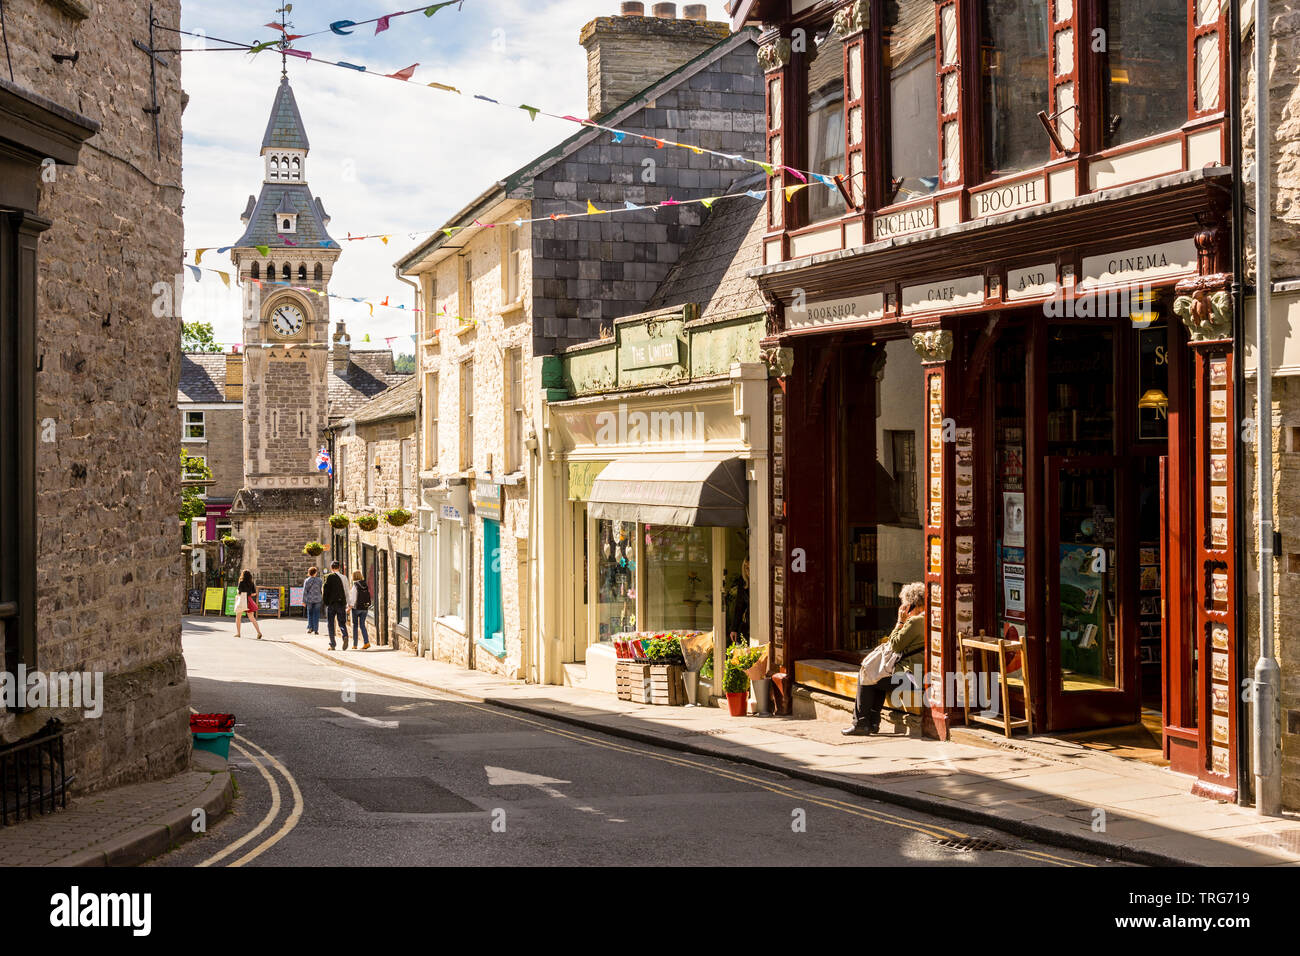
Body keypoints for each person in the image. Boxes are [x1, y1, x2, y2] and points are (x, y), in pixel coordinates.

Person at [842, 581, 926, 736]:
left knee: (867, 674)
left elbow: (894, 644)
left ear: (913, 605)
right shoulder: (928, 619)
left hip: (911, 677)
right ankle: (872, 722)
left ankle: (861, 723)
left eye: (906, 605)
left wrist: (900, 622)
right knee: (878, 676)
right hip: (921, 676)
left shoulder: (915, 622)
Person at [322, 560, 349, 650]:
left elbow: (325, 591)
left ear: (331, 568)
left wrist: (325, 602)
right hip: (341, 603)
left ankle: (332, 644)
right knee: (341, 622)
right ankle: (345, 635)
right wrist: (348, 603)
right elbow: (346, 591)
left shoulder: (328, 577)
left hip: (331, 604)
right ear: (339, 568)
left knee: (330, 624)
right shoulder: (344, 577)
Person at [234, 569, 263, 640]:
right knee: (252, 618)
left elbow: (239, 592)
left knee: (238, 617)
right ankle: (259, 632)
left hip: (242, 600)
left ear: (243, 575)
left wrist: (238, 591)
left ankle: (238, 633)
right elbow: (254, 593)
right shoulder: (251, 583)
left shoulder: (241, 582)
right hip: (249, 600)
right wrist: (248, 593)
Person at [348, 570, 372, 650]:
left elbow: (353, 598)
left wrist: (349, 607)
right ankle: (366, 642)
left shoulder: (355, 585)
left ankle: (355, 645)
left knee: (355, 626)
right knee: (362, 625)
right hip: (365, 608)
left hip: (356, 608)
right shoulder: (365, 584)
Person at [302, 566, 323, 635]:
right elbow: (321, 590)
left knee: (310, 614)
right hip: (318, 599)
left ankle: (310, 628)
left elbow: (305, 591)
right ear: (315, 573)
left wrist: (303, 601)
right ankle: (316, 629)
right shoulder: (319, 580)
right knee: (316, 614)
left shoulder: (307, 580)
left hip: (309, 599)